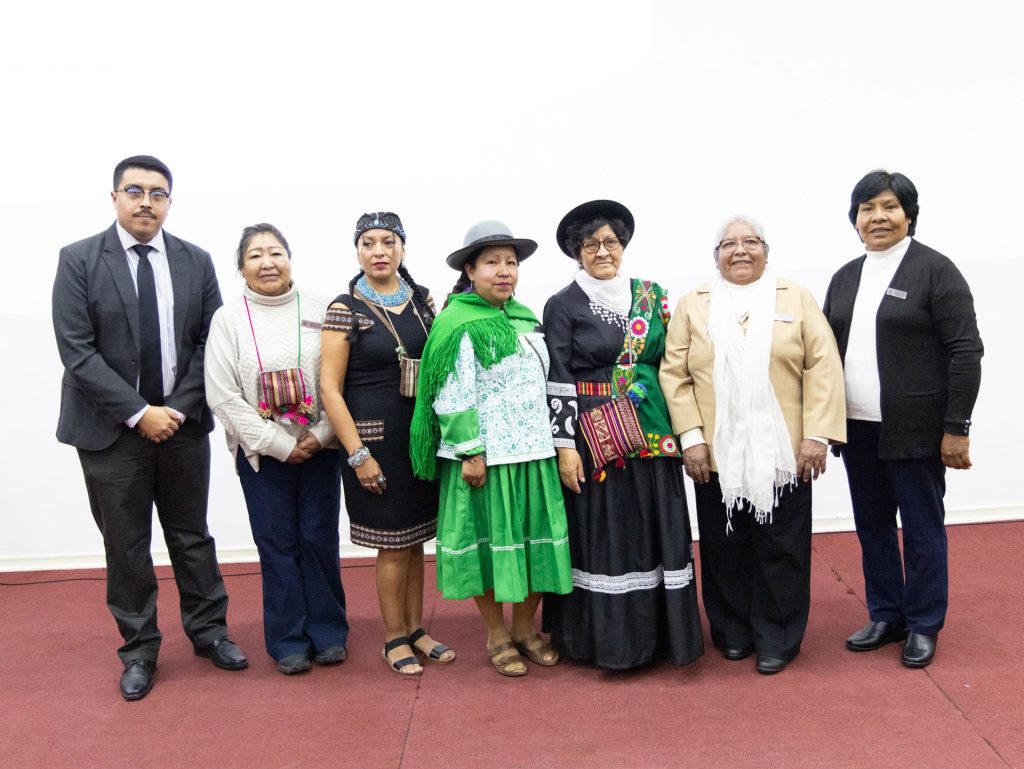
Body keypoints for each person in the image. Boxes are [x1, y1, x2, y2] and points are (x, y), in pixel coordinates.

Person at [51, 155, 246, 701]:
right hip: (110, 432)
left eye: (157, 193)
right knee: (127, 545)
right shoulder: (79, 260)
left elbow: (211, 343)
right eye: (134, 191)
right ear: (114, 196)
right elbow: (77, 351)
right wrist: (140, 413)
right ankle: (139, 649)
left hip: (182, 427)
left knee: (192, 536)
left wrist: (175, 410)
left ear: (169, 202)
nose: (145, 202)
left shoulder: (195, 261)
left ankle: (210, 632)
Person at [660, 215, 846, 675]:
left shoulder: (795, 297)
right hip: (714, 453)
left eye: (751, 242)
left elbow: (823, 367)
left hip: (784, 454)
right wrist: (691, 438)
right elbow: (674, 374)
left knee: (782, 547)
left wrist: (816, 436)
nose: (740, 250)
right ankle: (732, 632)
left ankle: (778, 637)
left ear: (766, 250)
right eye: (729, 244)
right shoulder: (693, 304)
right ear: (716, 256)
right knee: (724, 546)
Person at [823, 170, 983, 669]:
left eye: (890, 207)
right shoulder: (845, 277)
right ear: (855, 219)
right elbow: (825, 354)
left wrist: (957, 427)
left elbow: (966, 352)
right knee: (872, 527)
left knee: (921, 528)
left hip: (917, 431)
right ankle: (886, 614)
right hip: (857, 429)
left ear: (909, 215)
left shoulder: (935, 270)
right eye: (867, 209)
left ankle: (924, 622)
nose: (878, 217)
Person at [541, 199, 704, 669]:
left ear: (623, 245)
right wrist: (564, 446)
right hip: (596, 439)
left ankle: (663, 638)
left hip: (652, 432)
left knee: (654, 526)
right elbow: (557, 377)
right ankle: (609, 643)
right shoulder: (563, 304)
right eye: (590, 245)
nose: (602, 252)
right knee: (607, 533)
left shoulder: (652, 297)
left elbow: (676, 363)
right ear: (577, 253)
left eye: (610, 242)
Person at [410, 220, 573, 677]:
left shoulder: (526, 319)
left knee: (535, 547)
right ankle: (497, 634)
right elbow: (451, 391)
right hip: (486, 459)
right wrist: (471, 452)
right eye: (492, 263)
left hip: (534, 454)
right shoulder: (457, 322)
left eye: (511, 262)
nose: (504, 271)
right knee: (488, 549)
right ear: (470, 270)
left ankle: (524, 630)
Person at [205, 223, 349, 675]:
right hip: (262, 454)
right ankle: (288, 639)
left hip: (320, 446)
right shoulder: (228, 319)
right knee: (277, 543)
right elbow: (223, 395)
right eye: (255, 255)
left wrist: (321, 434)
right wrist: (277, 444)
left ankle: (328, 632)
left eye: (275, 252)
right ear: (241, 267)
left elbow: (342, 380)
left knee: (319, 538)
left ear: (289, 258)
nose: (267, 262)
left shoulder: (324, 307)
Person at [320, 212, 453, 677]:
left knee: (416, 541)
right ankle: (393, 637)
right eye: (369, 243)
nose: (379, 251)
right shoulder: (344, 308)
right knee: (393, 545)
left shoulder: (422, 300)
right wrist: (358, 455)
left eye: (388, 242)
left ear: (402, 248)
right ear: (357, 250)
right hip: (372, 444)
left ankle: (415, 630)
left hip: (418, 440)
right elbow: (330, 389)